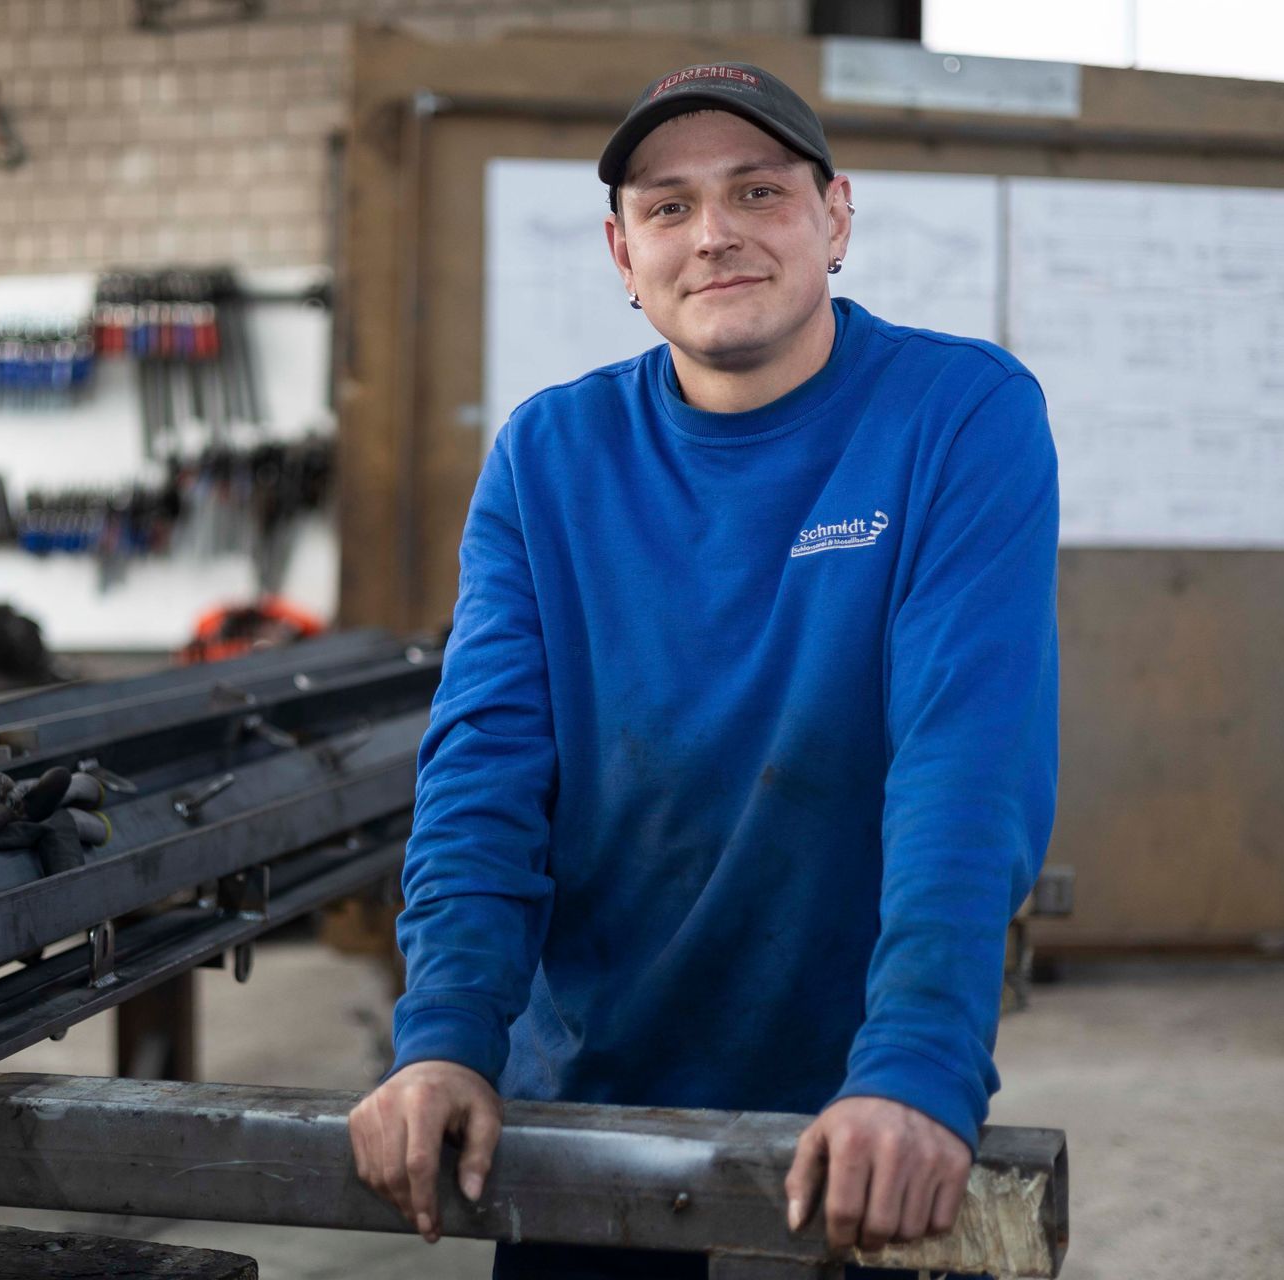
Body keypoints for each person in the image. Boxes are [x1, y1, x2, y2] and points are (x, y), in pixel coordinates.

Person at [348, 60, 1059, 1280]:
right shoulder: (547, 455)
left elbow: (966, 760)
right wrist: (446, 1035)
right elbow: (484, 772)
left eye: (757, 191)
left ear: (836, 217)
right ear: (624, 256)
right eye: (668, 206)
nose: (714, 232)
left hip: (856, 1104)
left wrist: (917, 1065)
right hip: (589, 1114)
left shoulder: (957, 414)